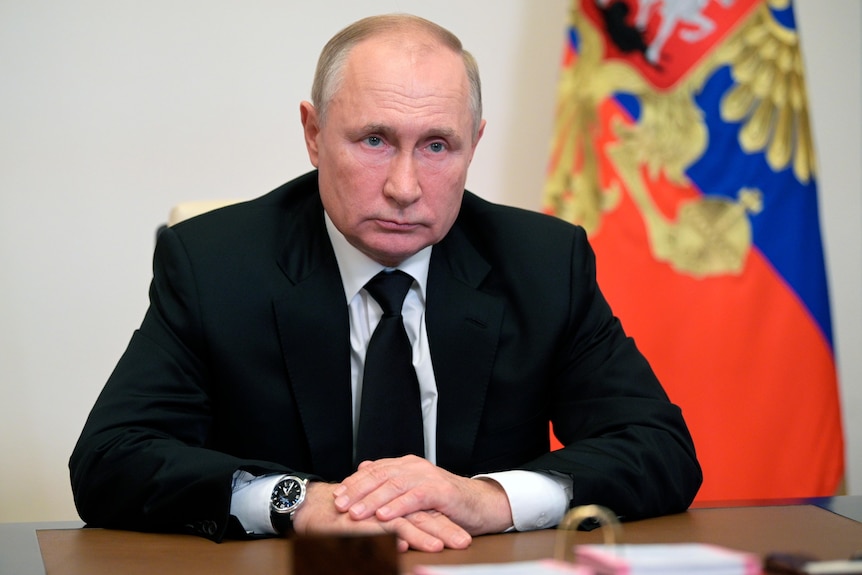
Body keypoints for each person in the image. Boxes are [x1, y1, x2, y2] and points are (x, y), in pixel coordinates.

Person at [69, 13, 702, 552]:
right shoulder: (213, 263)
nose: (404, 187)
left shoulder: (543, 263)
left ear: (474, 145)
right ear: (314, 134)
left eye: (436, 146)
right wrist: (298, 503)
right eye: (374, 140)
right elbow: (110, 460)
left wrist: (487, 499)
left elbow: (660, 449)